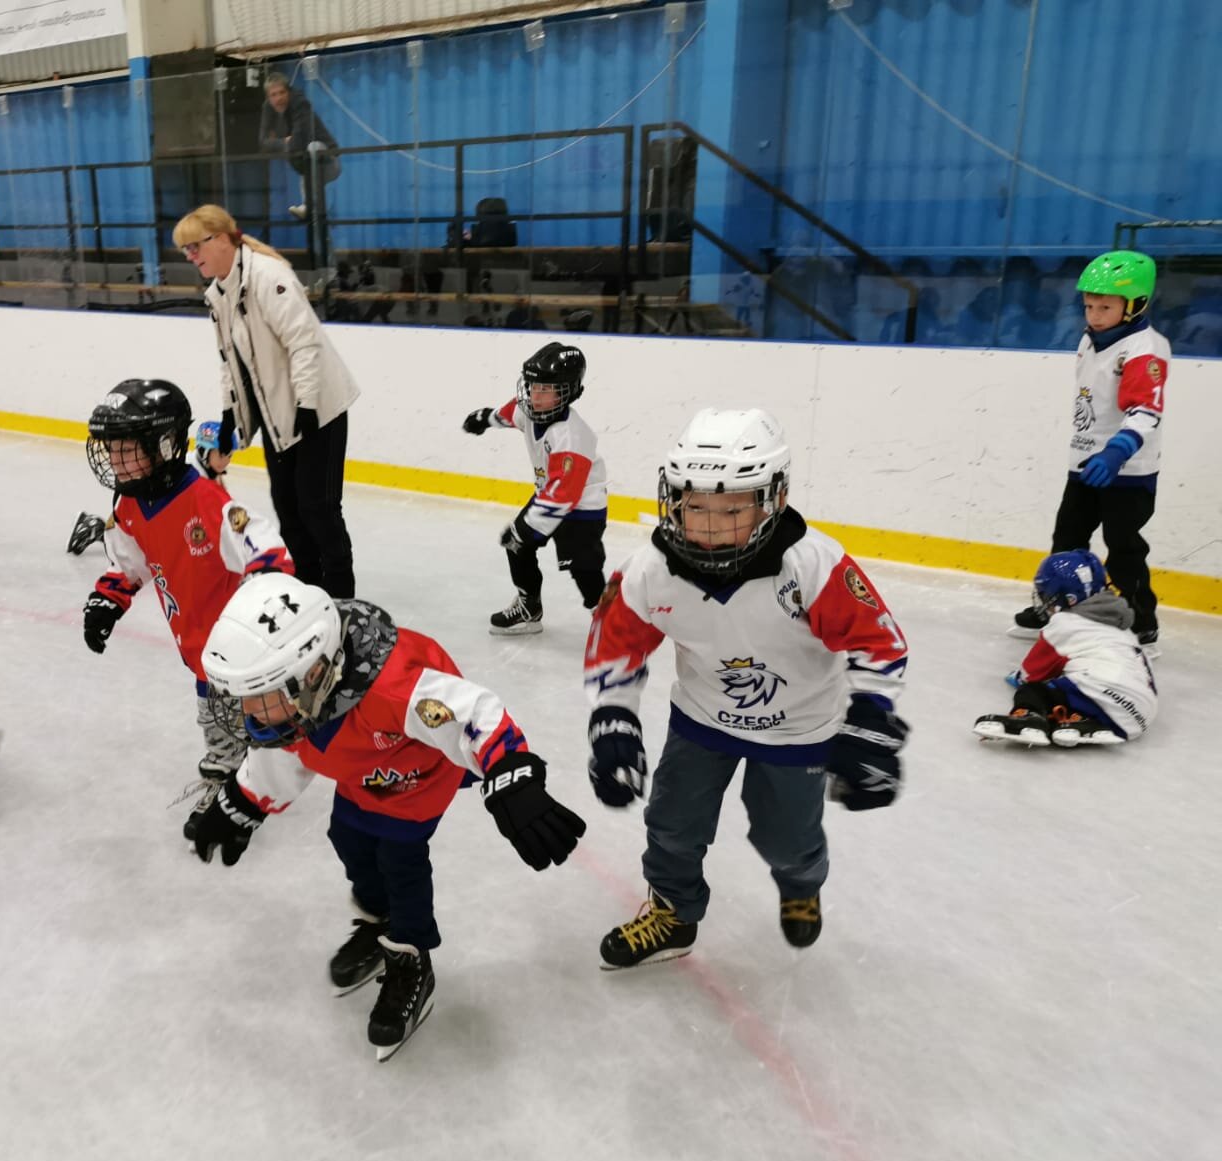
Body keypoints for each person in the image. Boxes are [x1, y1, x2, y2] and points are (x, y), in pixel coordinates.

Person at [191, 573, 587, 1060]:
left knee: (400, 860)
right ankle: (379, 922)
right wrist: (242, 803)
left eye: (260, 695)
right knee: (348, 838)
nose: (248, 710)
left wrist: (510, 772)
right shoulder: (296, 704)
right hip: (363, 771)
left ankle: (410, 956)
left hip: (415, 776)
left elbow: (469, 711)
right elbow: (286, 753)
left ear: (312, 676)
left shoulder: (393, 688)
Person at [583, 408, 909, 968]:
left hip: (798, 731)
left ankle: (801, 880)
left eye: (732, 509)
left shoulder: (813, 565)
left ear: (771, 501)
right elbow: (614, 643)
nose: (709, 527)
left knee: (787, 839)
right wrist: (612, 715)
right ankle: (673, 913)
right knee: (671, 825)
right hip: (701, 721)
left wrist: (872, 716)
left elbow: (879, 642)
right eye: (695, 507)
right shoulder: (648, 570)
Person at [78, 379, 291, 832]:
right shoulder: (129, 505)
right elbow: (130, 561)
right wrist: (107, 599)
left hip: (238, 642)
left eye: (126, 449)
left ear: (165, 445)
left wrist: (268, 575)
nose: (114, 459)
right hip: (196, 642)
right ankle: (236, 768)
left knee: (237, 716)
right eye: (111, 449)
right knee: (219, 713)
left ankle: (237, 787)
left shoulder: (204, 500)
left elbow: (256, 536)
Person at [175, 204, 360, 598]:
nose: (191, 256)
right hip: (277, 416)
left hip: (317, 409)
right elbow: (230, 360)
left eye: (194, 247)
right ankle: (309, 589)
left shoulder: (268, 277)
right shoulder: (219, 293)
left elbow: (304, 343)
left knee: (319, 508)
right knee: (288, 510)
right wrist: (230, 413)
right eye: (186, 250)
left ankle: (342, 596)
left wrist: (306, 405)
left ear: (220, 239)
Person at [1012, 251, 1169, 651]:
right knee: (1067, 539)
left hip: (1128, 470)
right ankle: (1055, 605)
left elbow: (1146, 409)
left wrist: (1116, 452)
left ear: (1135, 305)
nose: (1095, 315)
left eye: (1105, 307)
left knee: (1123, 548)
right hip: (1083, 462)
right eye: (1089, 306)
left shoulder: (1144, 349)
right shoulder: (1089, 340)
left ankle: (1141, 622)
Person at [462, 342, 608, 635]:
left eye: (546, 390)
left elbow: (565, 495)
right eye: (533, 387)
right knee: (517, 546)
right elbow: (509, 413)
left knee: (584, 568)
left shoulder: (571, 437)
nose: (535, 396)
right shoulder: (529, 410)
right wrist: (485, 418)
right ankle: (529, 607)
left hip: (583, 507)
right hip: (550, 493)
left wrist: (528, 528)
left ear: (567, 393)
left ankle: (609, 620)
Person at [976, 549, 1156, 748]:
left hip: (1104, 696)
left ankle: (1028, 716)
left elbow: (1031, 673)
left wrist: (1019, 678)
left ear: (1067, 598)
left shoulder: (1064, 623)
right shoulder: (1122, 627)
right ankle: (1083, 719)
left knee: (1034, 690)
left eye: (1047, 595)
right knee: (1073, 687)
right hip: (1140, 715)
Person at [66, 417, 238, 556]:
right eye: (222, 454)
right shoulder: (189, 471)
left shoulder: (209, 472)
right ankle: (92, 527)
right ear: (204, 451)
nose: (226, 461)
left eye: (229, 456)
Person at [258, 72, 341, 227]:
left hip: (328, 162)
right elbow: (263, 142)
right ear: (268, 98)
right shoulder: (268, 108)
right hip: (305, 166)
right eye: (273, 95)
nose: (278, 98)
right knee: (307, 162)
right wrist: (283, 141)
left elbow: (297, 141)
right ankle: (313, 212)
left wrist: (280, 143)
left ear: (289, 92)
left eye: (282, 92)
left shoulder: (299, 103)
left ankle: (310, 207)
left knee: (312, 148)